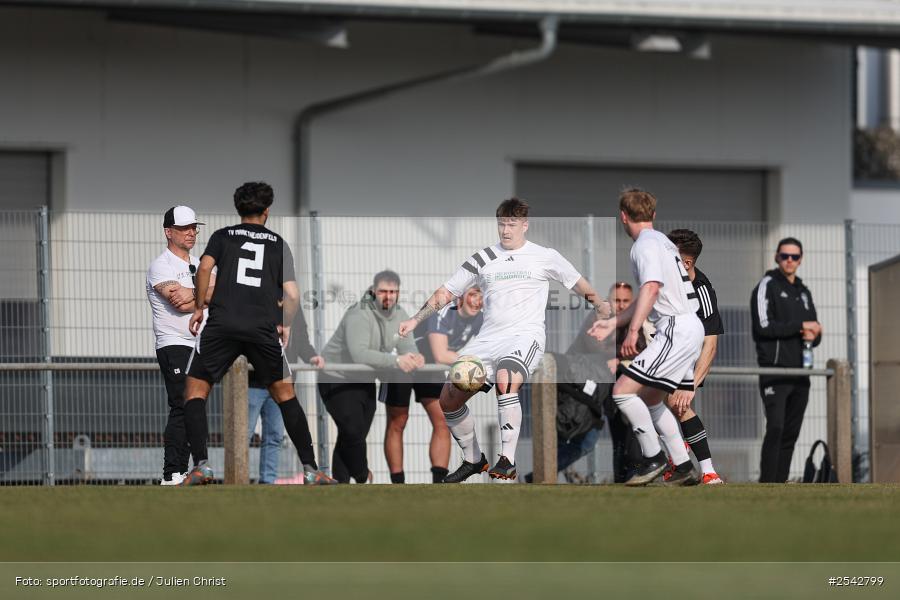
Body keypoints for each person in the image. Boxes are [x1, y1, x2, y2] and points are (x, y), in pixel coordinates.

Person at [398, 197, 608, 483]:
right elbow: (446, 292)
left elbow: (576, 282)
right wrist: (415, 319)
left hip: (525, 336)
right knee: (448, 398)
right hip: (487, 340)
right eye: (501, 224)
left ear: (525, 225)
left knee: (506, 377)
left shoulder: (544, 256)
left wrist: (600, 305)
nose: (506, 230)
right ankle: (473, 459)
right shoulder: (483, 258)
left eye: (511, 224)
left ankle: (507, 460)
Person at [182, 181, 334, 486]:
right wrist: (286, 324)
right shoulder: (278, 243)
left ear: (238, 209)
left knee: (195, 391)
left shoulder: (222, 236)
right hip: (262, 329)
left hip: (222, 325)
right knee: (286, 396)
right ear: (267, 211)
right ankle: (311, 469)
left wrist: (199, 308)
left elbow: (204, 269)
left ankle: (201, 466)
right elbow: (292, 294)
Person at [590, 188, 703, 486]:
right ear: (653, 214)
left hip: (675, 328)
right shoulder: (664, 242)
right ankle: (683, 466)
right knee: (652, 400)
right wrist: (613, 324)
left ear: (623, 216)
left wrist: (631, 331)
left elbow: (651, 288)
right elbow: (647, 295)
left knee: (622, 392)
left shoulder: (644, 245)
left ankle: (653, 457)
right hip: (688, 327)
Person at [320, 270, 424, 484]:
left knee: (352, 435)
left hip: (363, 380)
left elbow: (407, 347)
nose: (389, 296)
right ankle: (362, 475)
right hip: (335, 377)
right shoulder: (359, 313)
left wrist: (416, 357)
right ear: (374, 291)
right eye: (383, 291)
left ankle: (339, 485)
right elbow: (360, 354)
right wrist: (397, 360)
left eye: (393, 292)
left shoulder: (401, 314)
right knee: (352, 431)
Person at [385, 286, 485, 484]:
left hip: (430, 368)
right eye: (473, 295)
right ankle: (398, 484)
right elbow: (441, 355)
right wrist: (474, 364)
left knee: (442, 420)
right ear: (460, 297)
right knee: (398, 421)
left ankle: (439, 483)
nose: (477, 301)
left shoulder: (480, 318)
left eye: (481, 296)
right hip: (403, 362)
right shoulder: (443, 311)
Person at [146, 206, 212, 486]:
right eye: (184, 228)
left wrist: (194, 293)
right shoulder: (161, 265)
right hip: (173, 343)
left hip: (199, 345)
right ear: (168, 232)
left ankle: (186, 471)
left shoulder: (200, 264)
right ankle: (172, 472)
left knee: (193, 406)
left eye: (194, 227)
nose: (191, 233)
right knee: (181, 404)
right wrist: (205, 293)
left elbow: (220, 294)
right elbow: (180, 304)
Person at [750, 237, 822, 483]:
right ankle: (767, 483)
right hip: (775, 372)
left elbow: (812, 331)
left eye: (794, 257)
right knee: (776, 428)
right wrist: (800, 326)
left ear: (800, 260)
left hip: (801, 373)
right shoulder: (766, 285)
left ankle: (780, 484)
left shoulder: (803, 291)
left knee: (791, 432)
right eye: (784, 256)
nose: (789, 261)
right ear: (776, 257)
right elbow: (763, 327)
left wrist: (816, 334)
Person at [665, 229, 725, 485]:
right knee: (658, 402)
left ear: (687, 263)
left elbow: (710, 345)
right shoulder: (665, 281)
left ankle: (705, 470)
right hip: (666, 349)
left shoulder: (702, 291)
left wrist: (690, 385)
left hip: (689, 355)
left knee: (677, 403)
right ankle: (681, 456)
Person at [247, 306, 323, 484]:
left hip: (284, 384)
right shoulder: (258, 299)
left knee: (274, 436)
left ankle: (268, 482)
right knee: (243, 434)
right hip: (253, 382)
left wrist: (311, 356)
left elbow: (301, 339)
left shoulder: (294, 306)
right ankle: (236, 478)